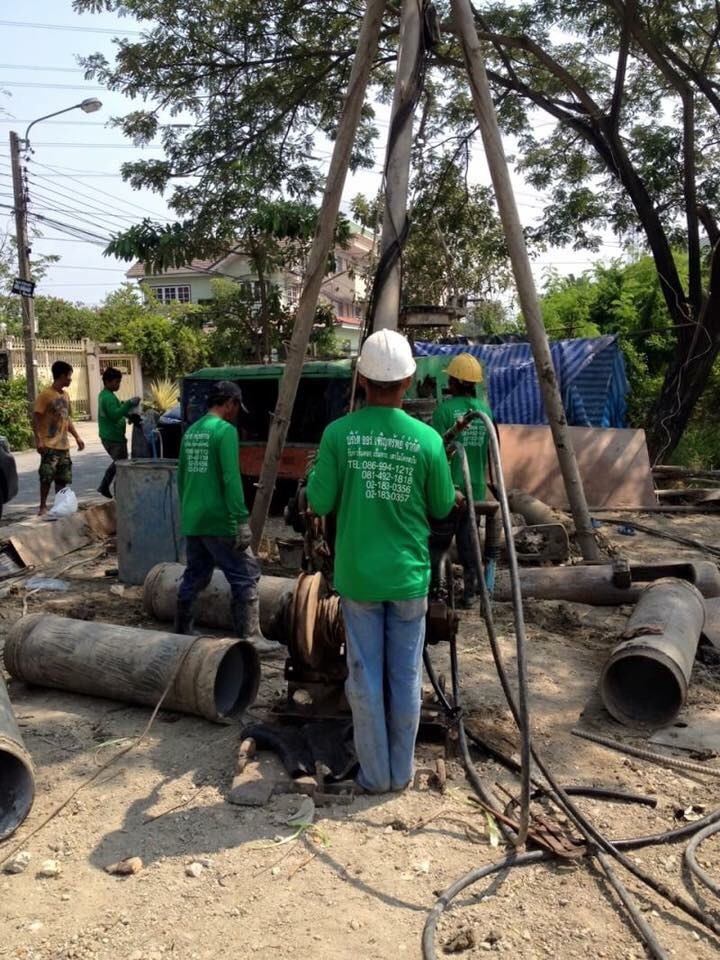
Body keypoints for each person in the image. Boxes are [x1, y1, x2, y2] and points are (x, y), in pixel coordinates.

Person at [307, 329, 456, 795]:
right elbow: (443, 505)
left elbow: (318, 501)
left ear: (361, 379)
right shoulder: (427, 439)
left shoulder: (338, 435)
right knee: (406, 676)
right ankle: (401, 773)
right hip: (409, 577)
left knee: (364, 676)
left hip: (359, 579)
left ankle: (375, 776)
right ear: (408, 381)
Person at [174, 380, 274, 653]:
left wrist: (189, 510)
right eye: (236, 406)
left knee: (196, 574)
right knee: (246, 574)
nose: (236, 412)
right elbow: (231, 478)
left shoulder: (191, 431)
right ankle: (249, 636)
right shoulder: (225, 432)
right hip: (220, 520)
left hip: (195, 518)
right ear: (229, 403)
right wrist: (241, 519)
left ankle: (182, 630)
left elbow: (182, 476)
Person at [431, 353, 493, 607]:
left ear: (454, 382)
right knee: (470, 547)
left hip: (448, 491)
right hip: (475, 490)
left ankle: (437, 594)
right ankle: (470, 595)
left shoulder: (443, 411)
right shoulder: (485, 411)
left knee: (438, 546)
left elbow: (435, 453)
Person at [33, 360, 85, 516]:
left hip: (63, 446)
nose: (70, 379)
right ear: (62, 376)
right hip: (49, 445)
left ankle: (60, 507)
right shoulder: (45, 395)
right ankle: (42, 507)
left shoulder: (66, 395)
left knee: (62, 479)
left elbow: (67, 419)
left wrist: (77, 437)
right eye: (69, 376)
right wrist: (39, 440)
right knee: (46, 477)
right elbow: (35, 419)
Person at [97, 367, 141, 498]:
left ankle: (109, 488)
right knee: (121, 464)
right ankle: (108, 487)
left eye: (119, 382)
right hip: (113, 437)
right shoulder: (108, 397)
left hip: (110, 436)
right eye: (116, 382)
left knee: (120, 463)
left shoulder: (105, 395)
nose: (118, 385)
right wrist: (129, 404)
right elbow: (114, 415)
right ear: (107, 382)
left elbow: (117, 410)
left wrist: (128, 415)